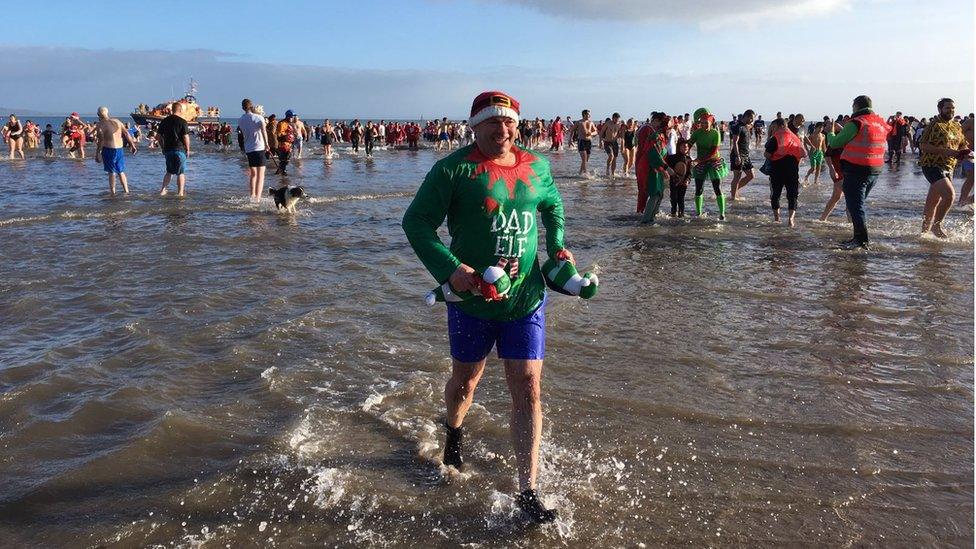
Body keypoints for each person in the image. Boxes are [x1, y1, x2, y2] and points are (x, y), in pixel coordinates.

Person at [402, 90, 573, 524]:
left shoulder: (538, 167)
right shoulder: (452, 169)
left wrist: (556, 246)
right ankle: (454, 432)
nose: (503, 130)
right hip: (472, 301)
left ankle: (528, 490)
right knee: (466, 380)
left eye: (510, 122)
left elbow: (553, 207)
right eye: (493, 122)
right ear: (474, 126)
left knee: (529, 386)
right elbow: (416, 222)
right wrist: (451, 269)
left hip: (526, 298)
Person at [825, 95, 890, 248]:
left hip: (856, 170)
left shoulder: (857, 122)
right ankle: (858, 238)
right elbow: (863, 139)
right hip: (875, 170)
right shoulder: (879, 123)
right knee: (857, 205)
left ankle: (861, 240)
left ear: (855, 106)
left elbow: (835, 143)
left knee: (856, 206)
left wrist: (830, 132)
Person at [917, 98, 968, 238]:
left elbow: (963, 144)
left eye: (952, 108)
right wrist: (946, 151)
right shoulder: (934, 124)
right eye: (947, 108)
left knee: (933, 201)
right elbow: (923, 145)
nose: (951, 111)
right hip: (932, 165)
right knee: (949, 195)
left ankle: (924, 233)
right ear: (940, 109)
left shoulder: (956, 126)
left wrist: (966, 152)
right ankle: (936, 226)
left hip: (949, 166)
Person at [688, 108, 729, 219]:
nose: (704, 124)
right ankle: (698, 213)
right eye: (702, 122)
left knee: (717, 188)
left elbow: (713, 152)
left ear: (711, 123)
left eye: (706, 122)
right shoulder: (697, 133)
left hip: (713, 161)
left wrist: (698, 161)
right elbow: (689, 145)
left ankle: (722, 213)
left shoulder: (715, 133)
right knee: (699, 188)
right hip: (700, 161)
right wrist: (684, 152)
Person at [635, 111, 674, 223]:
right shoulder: (655, 136)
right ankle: (645, 221)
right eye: (670, 128)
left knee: (660, 193)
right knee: (654, 193)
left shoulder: (661, 136)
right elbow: (652, 153)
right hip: (649, 167)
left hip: (655, 166)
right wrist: (665, 168)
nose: (671, 131)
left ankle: (651, 219)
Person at [764, 118, 804, 226]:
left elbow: (767, 154)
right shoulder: (795, 137)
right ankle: (791, 219)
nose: (773, 130)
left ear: (780, 126)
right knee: (792, 194)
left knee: (775, 194)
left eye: (773, 127)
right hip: (792, 169)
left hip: (777, 169)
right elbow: (802, 153)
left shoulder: (775, 137)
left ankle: (777, 219)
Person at [93, 106, 138, 195]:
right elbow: (126, 133)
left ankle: (113, 193)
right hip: (119, 149)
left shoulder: (100, 125)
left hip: (109, 149)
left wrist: (98, 153)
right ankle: (126, 191)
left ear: (98, 114)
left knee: (111, 172)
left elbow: (101, 141)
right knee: (121, 171)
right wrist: (133, 145)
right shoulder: (117, 121)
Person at [157, 102, 190, 196]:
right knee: (181, 173)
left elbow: (158, 137)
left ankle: (163, 190)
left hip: (168, 150)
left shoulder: (164, 121)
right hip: (180, 150)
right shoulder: (182, 122)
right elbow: (185, 137)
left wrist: (163, 147)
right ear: (180, 110)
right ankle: (180, 193)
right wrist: (187, 149)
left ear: (172, 110)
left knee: (169, 172)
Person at [238, 98, 268, 201]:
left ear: (243, 108)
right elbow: (264, 131)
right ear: (252, 106)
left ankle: (252, 195)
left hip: (248, 148)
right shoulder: (259, 117)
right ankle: (258, 198)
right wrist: (267, 144)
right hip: (259, 147)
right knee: (261, 175)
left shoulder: (241, 119)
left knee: (253, 174)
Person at [729, 109, 756, 200]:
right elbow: (735, 142)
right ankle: (733, 197)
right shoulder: (738, 126)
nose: (752, 120)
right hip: (737, 154)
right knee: (737, 176)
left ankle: (734, 190)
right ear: (746, 116)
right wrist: (737, 156)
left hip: (746, 155)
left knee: (751, 175)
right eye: (751, 118)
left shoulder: (747, 126)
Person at [666, 138, 692, 217]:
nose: (686, 148)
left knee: (681, 199)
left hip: (683, 182)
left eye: (687, 147)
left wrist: (687, 180)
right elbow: (666, 168)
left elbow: (689, 173)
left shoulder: (689, 159)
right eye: (683, 146)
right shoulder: (672, 158)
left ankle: (681, 214)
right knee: (673, 198)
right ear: (679, 147)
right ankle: (673, 213)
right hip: (674, 181)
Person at [573, 109, 597, 175]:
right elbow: (572, 130)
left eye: (589, 114)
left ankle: (580, 173)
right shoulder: (579, 122)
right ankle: (586, 173)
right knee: (584, 159)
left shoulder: (591, 122)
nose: (589, 115)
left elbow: (595, 132)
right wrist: (570, 140)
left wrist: (591, 134)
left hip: (589, 142)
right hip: (581, 141)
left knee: (586, 160)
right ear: (584, 114)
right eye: (588, 114)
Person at [600, 112, 623, 179]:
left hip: (615, 142)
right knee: (611, 155)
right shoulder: (608, 123)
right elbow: (601, 132)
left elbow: (620, 133)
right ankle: (607, 168)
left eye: (618, 119)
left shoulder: (619, 124)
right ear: (612, 118)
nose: (616, 121)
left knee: (615, 158)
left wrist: (622, 142)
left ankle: (612, 173)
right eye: (615, 119)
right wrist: (600, 141)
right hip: (607, 142)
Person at [957, 116, 974, 206]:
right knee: (972, 177)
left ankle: (969, 200)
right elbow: (956, 134)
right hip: (969, 153)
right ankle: (962, 201)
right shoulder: (971, 122)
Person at [275, 110, 297, 176]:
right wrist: (286, 135)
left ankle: (279, 170)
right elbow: (278, 134)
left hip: (289, 144)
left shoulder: (290, 124)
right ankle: (283, 171)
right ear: (288, 117)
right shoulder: (282, 123)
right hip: (283, 144)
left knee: (287, 159)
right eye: (292, 117)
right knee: (284, 159)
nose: (293, 118)